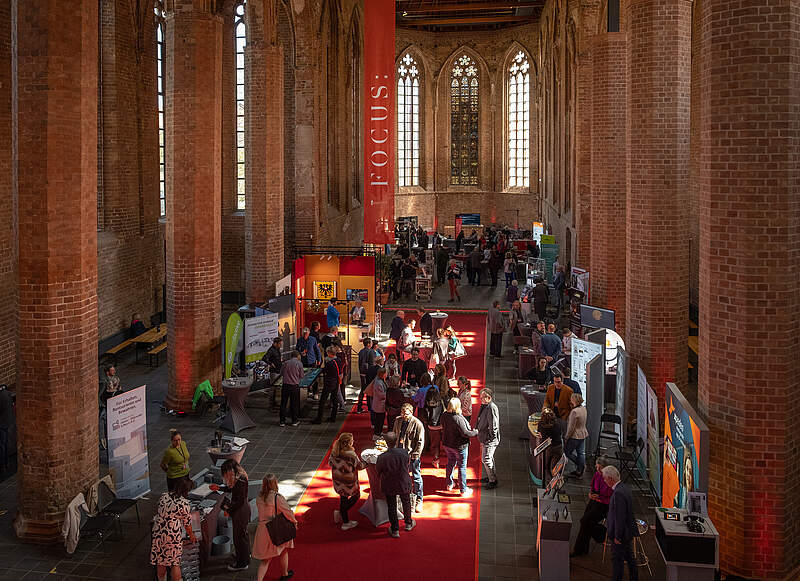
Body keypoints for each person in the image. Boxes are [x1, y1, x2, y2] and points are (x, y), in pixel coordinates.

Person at [150, 477, 196, 581]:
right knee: (174, 563)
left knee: (160, 560)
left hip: (158, 532)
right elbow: (187, 524)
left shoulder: (164, 496)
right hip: (172, 535)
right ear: (186, 491)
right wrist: (192, 535)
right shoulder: (184, 503)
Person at [252, 474, 297, 581]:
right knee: (283, 550)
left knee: (265, 560)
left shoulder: (259, 497)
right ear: (275, 483)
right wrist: (294, 522)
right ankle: (285, 574)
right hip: (276, 529)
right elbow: (288, 512)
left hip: (263, 530)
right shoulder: (277, 497)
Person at [571, 456, 614, 557]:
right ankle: (583, 549)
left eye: (600, 468)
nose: (598, 470)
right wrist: (591, 494)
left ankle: (601, 533)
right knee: (585, 523)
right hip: (594, 501)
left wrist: (599, 497)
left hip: (604, 505)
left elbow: (611, 496)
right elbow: (592, 486)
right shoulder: (597, 474)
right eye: (597, 467)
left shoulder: (610, 478)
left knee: (584, 522)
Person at [375, 432, 416, 537]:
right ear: (396, 441)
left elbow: (378, 471)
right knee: (406, 502)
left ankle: (395, 530)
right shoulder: (404, 452)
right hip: (403, 481)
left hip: (389, 483)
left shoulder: (382, 457)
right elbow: (408, 465)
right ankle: (408, 523)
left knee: (392, 506)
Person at [604, 465, 639, 581]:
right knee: (629, 557)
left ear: (610, 478)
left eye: (605, 478)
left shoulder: (618, 493)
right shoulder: (624, 487)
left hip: (621, 534)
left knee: (617, 560)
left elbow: (619, 517)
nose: (604, 481)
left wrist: (617, 536)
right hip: (628, 532)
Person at [218, 460, 251, 572]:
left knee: (239, 538)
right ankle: (245, 557)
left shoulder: (240, 480)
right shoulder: (239, 477)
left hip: (240, 512)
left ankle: (241, 563)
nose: (226, 476)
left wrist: (229, 510)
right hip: (242, 510)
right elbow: (232, 489)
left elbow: (239, 501)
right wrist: (219, 488)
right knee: (243, 536)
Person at [441, 397, 478, 496]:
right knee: (462, 467)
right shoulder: (458, 418)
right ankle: (463, 489)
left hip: (447, 444)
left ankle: (449, 484)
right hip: (459, 446)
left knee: (450, 463)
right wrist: (475, 432)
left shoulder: (444, 415)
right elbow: (466, 433)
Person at [329, 433, 366, 531]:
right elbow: (359, 466)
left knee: (343, 498)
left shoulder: (334, 451)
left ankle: (344, 518)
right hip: (348, 482)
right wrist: (367, 463)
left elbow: (330, 463)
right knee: (356, 496)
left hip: (338, 480)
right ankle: (344, 518)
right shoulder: (351, 455)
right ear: (349, 443)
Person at [392, 403, 425, 512]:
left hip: (412, 454)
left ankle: (419, 499)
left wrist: (415, 455)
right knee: (401, 476)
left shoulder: (417, 424)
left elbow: (420, 441)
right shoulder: (398, 420)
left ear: (411, 413)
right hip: (399, 453)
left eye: (406, 414)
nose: (403, 415)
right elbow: (394, 434)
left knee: (416, 476)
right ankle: (403, 498)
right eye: (402, 413)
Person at [476, 388, 500, 489]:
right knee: (489, 458)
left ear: (488, 398)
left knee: (486, 459)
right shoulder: (485, 405)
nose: (480, 399)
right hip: (485, 437)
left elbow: (493, 425)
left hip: (489, 439)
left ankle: (492, 480)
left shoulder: (491, 408)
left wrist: (490, 438)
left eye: (482, 397)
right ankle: (491, 476)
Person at [312, 346, 341, 424]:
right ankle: (333, 417)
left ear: (329, 353)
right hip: (336, 382)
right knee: (334, 400)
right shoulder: (338, 360)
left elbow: (324, 371)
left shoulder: (330, 363)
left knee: (322, 401)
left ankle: (319, 419)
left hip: (329, 383)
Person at [564, 393, 588, 477]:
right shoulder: (583, 408)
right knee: (580, 453)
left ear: (574, 400)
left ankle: (581, 466)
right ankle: (579, 471)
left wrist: (566, 437)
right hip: (583, 433)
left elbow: (571, 427)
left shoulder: (574, 412)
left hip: (575, 436)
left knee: (567, 452)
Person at [422, 383, 445, 468]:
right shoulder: (440, 401)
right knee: (443, 442)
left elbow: (424, 414)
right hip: (441, 425)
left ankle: (436, 460)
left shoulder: (426, 403)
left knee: (434, 444)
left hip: (431, 426)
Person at [279, 350, 304, 427]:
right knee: (294, 404)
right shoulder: (299, 364)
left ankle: (282, 421)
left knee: (283, 403)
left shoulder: (285, 363)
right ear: (298, 356)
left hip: (285, 385)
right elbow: (301, 376)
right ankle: (294, 421)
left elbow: (281, 373)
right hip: (294, 386)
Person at [538, 408, 563, 480]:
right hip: (558, 447)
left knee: (546, 466)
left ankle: (548, 482)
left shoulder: (541, 424)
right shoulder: (557, 424)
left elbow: (540, 434)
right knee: (556, 466)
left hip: (548, 447)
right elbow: (560, 433)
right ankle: (556, 482)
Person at [357, 337, 374, 414]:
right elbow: (371, 364)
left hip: (361, 372)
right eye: (371, 342)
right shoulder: (371, 352)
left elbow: (359, 362)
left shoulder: (360, 351)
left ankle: (359, 406)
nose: (372, 344)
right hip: (368, 373)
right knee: (369, 389)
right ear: (368, 344)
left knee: (362, 390)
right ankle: (370, 407)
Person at [370, 367, 388, 439]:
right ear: (382, 374)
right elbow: (381, 395)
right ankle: (376, 434)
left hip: (380, 404)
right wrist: (388, 394)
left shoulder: (380, 380)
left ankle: (379, 432)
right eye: (385, 373)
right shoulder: (378, 383)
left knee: (381, 419)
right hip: (379, 404)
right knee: (378, 420)